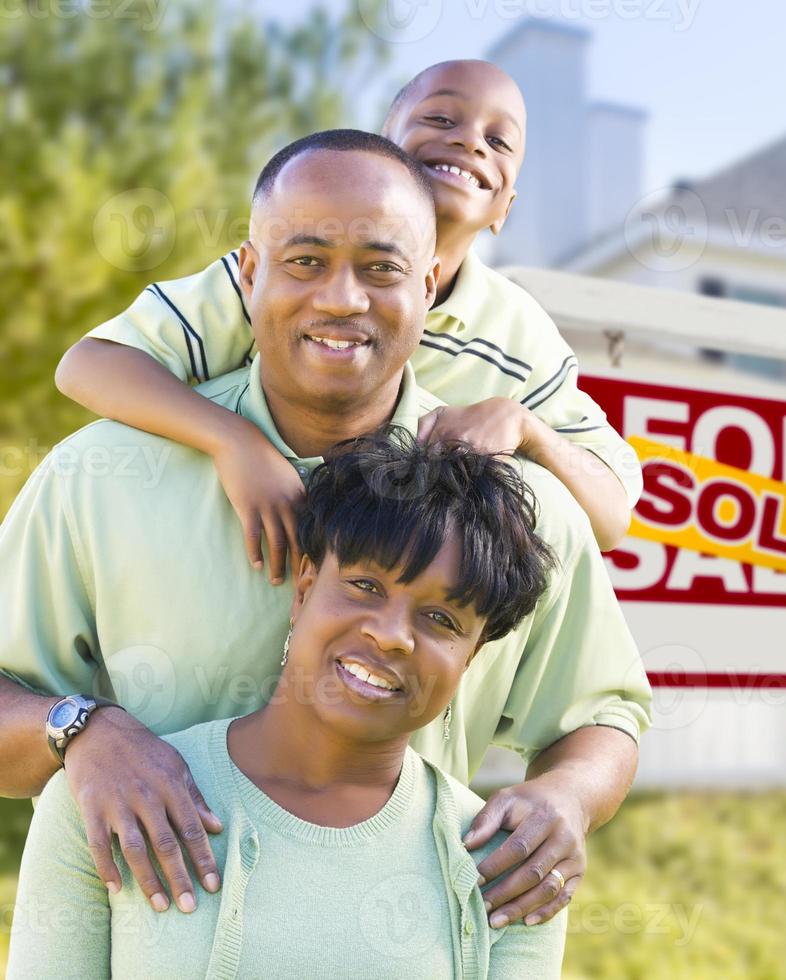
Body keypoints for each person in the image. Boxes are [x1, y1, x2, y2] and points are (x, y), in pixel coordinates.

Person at [0, 129, 650, 933]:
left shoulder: (520, 511)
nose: (343, 299)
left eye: (381, 268)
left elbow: (603, 715)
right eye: (305, 260)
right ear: (249, 272)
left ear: (431, 280)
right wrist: (81, 732)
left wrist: (567, 800)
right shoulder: (98, 477)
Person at [9, 428, 568, 977]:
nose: (393, 635)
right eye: (366, 586)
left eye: (442, 619)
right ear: (303, 590)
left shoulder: (510, 865)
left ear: (468, 660)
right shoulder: (110, 797)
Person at [55, 58, 639, 575]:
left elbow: (611, 520)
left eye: (499, 139)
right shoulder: (282, 277)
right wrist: (233, 441)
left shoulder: (519, 333)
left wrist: (525, 426)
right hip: (225, 556)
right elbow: (89, 366)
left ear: (504, 208)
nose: (470, 143)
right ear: (380, 147)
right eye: (441, 119)